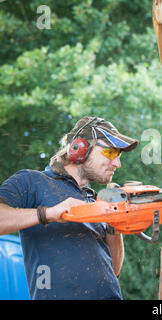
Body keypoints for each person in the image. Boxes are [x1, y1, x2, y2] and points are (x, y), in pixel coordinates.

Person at [0, 116, 138, 300]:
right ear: (79, 148)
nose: (117, 163)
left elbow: (113, 272)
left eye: (118, 155)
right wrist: (48, 213)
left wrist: (114, 220)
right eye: (110, 153)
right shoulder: (32, 182)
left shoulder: (94, 200)